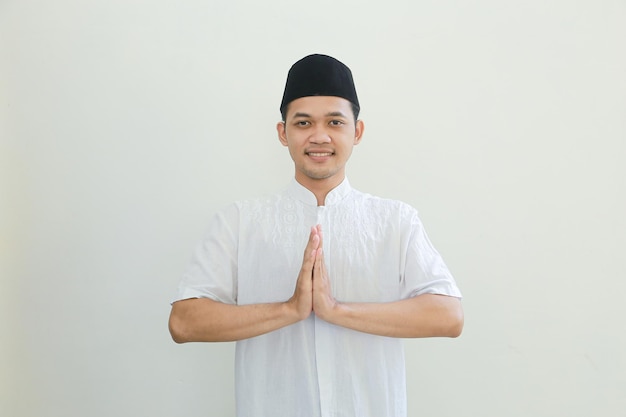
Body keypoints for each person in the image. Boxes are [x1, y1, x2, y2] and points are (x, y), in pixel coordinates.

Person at [168, 54, 463, 417]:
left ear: (357, 132)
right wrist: (289, 309)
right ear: (283, 133)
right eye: (303, 122)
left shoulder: (395, 220)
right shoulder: (241, 221)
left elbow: (448, 316)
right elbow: (184, 322)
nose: (319, 136)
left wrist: (336, 311)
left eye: (335, 122)